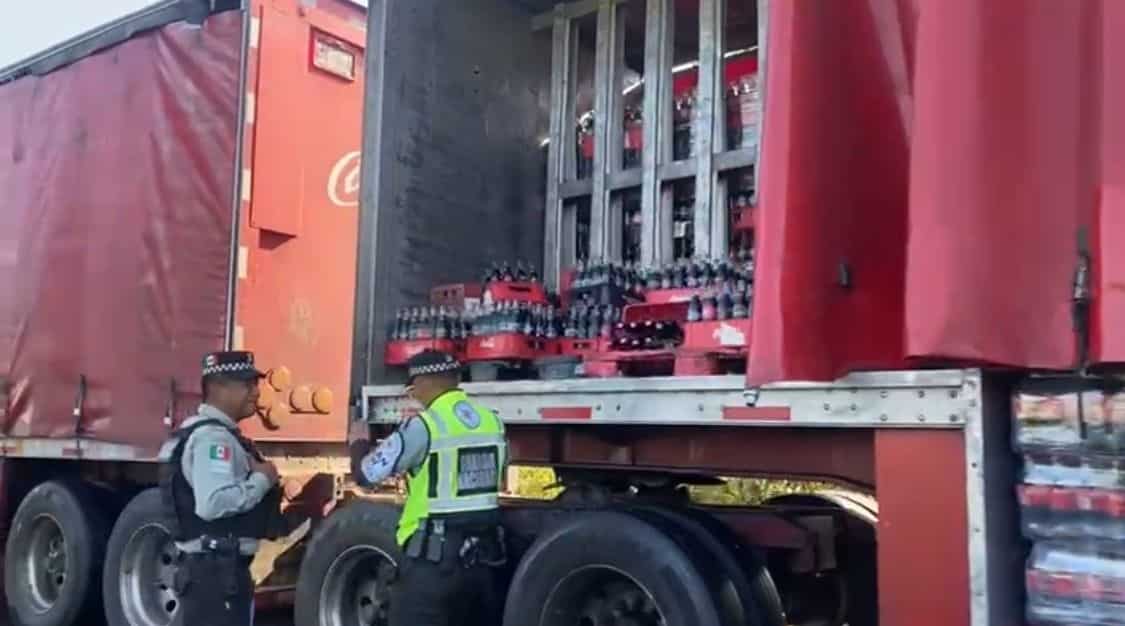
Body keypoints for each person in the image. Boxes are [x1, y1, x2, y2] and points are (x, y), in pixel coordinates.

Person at [351, 349, 509, 626]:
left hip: (433, 564)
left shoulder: (425, 426)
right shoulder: (491, 421)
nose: (413, 394)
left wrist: (358, 443)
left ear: (426, 381)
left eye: (412, 387)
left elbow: (367, 474)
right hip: (482, 564)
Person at [159, 350, 284, 626]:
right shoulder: (213, 439)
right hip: (216, 575)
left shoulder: (201, 431)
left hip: (211, 571)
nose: (256, 392)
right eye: (246, 384)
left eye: (255, 383)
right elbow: (213, 503)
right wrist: (262, 480)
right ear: (217, 387)